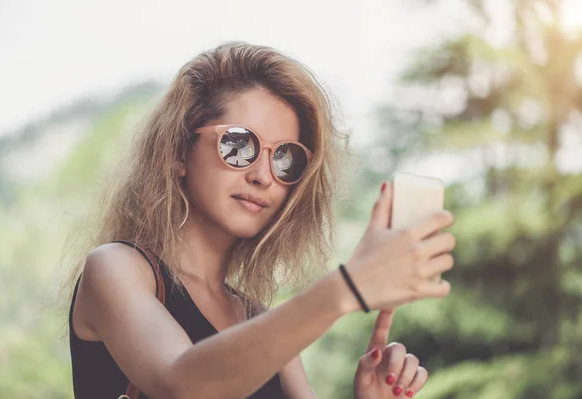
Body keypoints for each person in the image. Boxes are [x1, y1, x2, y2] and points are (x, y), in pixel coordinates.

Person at [66, 41, 456, 399]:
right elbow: (181, 385)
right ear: (179, 153)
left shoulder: (259, 321)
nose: (263, 176)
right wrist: (347, 288)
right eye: (238, 145)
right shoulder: (117, 269)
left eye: (286, 158)